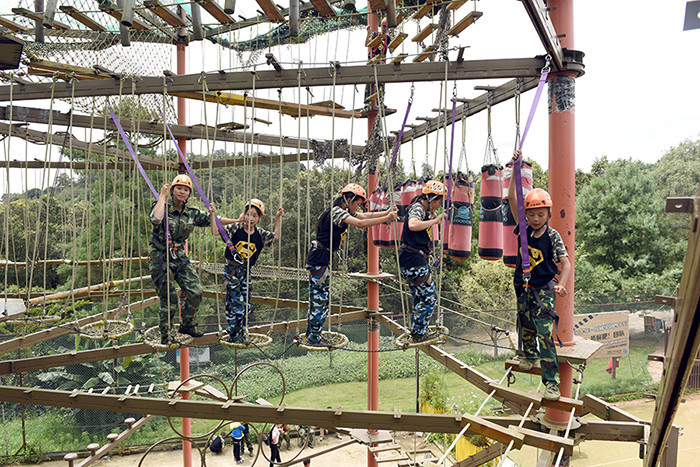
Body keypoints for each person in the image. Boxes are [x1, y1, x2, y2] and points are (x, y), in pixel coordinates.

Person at [508, 151, 571, 402]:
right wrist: (515, 168)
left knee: (545, 332)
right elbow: (512, 198)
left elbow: (565, 264)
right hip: (523, 285)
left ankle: (551, 382)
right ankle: (528, 354)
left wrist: (561, 286)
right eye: (532, 214)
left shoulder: (552, 236)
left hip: (544, 289)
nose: (535, 219)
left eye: (541, 214)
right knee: (525, 322)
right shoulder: (523, 229)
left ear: (548, 214)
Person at [149, 174, 237, 345]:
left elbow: (215, 220)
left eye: (186, 190)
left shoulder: (191, 213)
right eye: (178, 188)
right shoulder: (162, 206)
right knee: (169, 299)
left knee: (196, 292)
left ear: (189, 194)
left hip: (179, 257)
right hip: (160, 258)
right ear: (172, 190)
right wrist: (162, 196)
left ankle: (187, 325)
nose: (182, 192)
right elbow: (155, 219)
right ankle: (166, 335)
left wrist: (237, 220)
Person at [305, 183, 397, 344]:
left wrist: (386, 212)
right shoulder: (337, 212)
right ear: (348, 200)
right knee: (319, 299)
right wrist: (387, 219)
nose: (358, 207)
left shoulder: (343, 211)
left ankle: (314, 334)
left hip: (322, 257)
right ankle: (313, 336)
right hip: (319, 258)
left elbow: (364, 217)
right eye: (357, 203)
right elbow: (360, 224)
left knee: (321, 299)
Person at [211, 199, 283, 343]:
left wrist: (277, 219)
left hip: (246, 271)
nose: (250, 218)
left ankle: (241, 331)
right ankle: (234, 333)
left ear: (259, 218)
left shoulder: (260, 234)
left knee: (245, 304)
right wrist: (213, 215)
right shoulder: (236, 228)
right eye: (248, 214)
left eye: (254, 216)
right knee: (236, 302)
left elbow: (276, 236)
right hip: (232, 270)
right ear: (244, 215)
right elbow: (215, 232)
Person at [398, 180, 446, 342]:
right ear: (431, 199)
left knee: (420, 298)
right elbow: (412, 225)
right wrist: (434, 221)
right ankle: (418, 333)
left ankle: (417, 331)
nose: (439, 205)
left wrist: (431, 216)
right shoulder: (418, 208)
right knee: (429, 298)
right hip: (413, 260)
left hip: (410, 259)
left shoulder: (423, 210)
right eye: (439, 201)